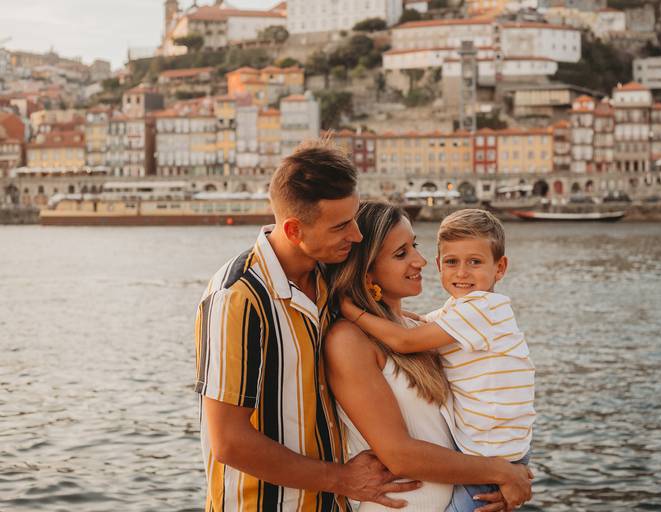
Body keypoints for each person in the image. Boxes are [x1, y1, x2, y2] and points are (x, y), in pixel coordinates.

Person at [194, 141, 422, 511]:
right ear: (294, 229)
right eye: (341, 226)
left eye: (354, 217)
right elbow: (229, 441)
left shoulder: (330, 279)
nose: (357, 236)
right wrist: (342, 479)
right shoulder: (237, 298)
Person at [325, 202, 533, 512]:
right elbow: (399, 455)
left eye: (415, 247)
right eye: (401, 253)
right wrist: (503, 472)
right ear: (367, 271)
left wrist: (503, 477)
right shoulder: (350, 339)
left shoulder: (418, 329)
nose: (421, 261)